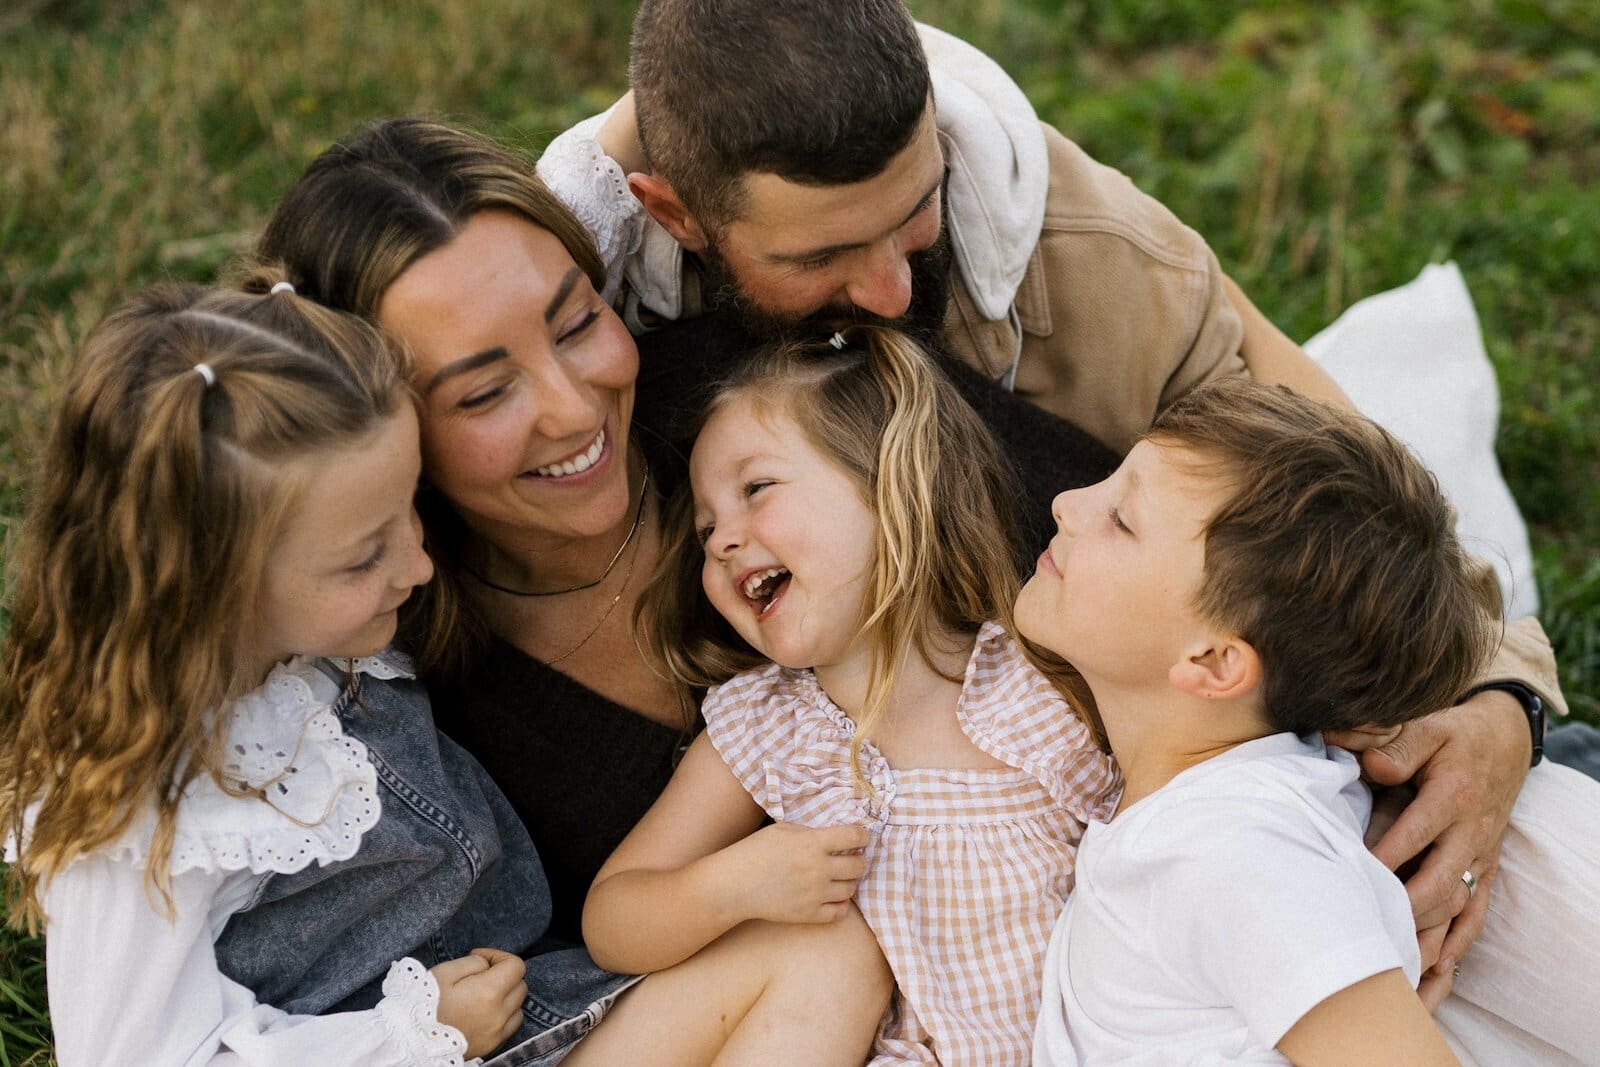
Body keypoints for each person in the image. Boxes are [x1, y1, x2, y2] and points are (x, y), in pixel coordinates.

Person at [534, 0, 1569, 987]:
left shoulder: (1102, 263)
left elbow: (1355, 501)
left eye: (915, 210)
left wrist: (1499, 701)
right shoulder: (564, 313)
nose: (892, 288)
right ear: (672, 211)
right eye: (824, 256)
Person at [255, 117, 1105, 1065]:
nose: (575, 409)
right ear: (384, 439)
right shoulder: (404, 662)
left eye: (578, 323)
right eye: (485, 393)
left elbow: (1138, 538)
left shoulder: (751, 410)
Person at [0, 278, 625, 1065]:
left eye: (412, 506)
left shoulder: (315, 638)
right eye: (366, 555)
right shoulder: (147, 814)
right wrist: (412, 1035)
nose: (420, 564)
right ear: (209, 586)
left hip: (541, 984)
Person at [1019, 378, 1600, 1065]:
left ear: (1212, 662)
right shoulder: (1219, 815)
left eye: (1122, 518)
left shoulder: (1236, 853)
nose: (1065, 502)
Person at [586, 326, 1119, 1065]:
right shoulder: (768, 725)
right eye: (708, 527)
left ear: (893, 480)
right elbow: (612, 917)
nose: (720, 540)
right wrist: (734, 885)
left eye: (756, 490)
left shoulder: (1043, 684)